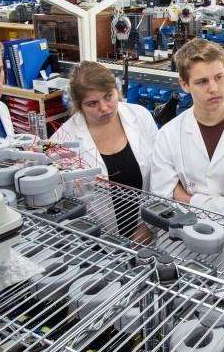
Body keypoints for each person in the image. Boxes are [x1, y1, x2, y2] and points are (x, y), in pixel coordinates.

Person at [151, 38, 224, 220]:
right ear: (184, 84)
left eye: (218, 77)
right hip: (179, 241)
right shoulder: (168, 135)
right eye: (202, 81)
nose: (213, 88)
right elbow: (162, 200)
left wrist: (186, 198)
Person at [50, 61, 158, 240]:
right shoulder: (62, 142)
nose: (104, 108)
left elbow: (160, 175)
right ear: (78, 105)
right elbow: (61, 205)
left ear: (117, 90)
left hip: (147, 234)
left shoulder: (140, 116)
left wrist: (150, 226)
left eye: (108, 96)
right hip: (95, 243)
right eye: (92, 103)